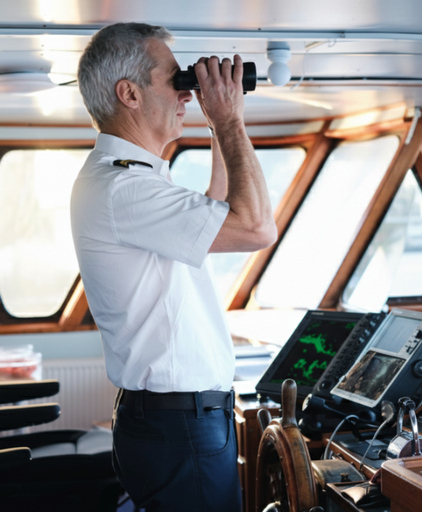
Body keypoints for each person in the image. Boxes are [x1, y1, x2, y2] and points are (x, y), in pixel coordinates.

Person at [70, 22, 277, 511]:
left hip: (172, 423)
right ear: (130, 94)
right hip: (180, 427)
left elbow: (219, 213)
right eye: (175, 81)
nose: (187, 94)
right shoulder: (127, 189)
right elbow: (256, 228)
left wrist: (214, 120)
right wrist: (229, 122)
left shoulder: (126, 182)